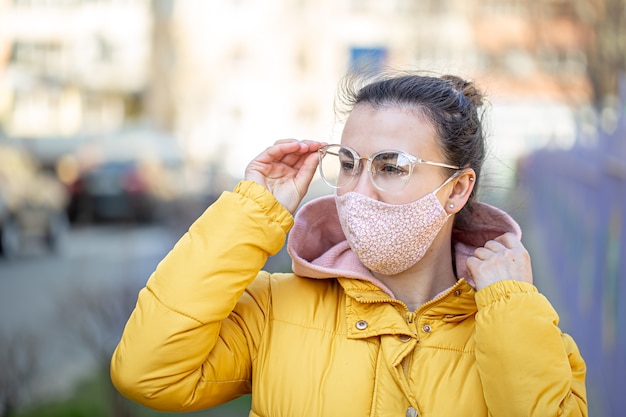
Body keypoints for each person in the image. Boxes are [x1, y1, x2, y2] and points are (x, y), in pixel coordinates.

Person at [110, 71, 587, 416]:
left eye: (391, 166)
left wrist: (510, 308)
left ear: (458, 189)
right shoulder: (272, 310)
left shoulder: (521, 328)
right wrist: (253, 211)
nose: (357, 191)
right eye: (349, 163)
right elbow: (147, 373)